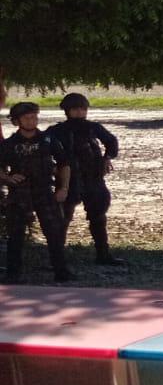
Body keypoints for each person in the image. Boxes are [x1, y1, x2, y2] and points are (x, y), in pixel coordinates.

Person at [47, 92, 123, 266]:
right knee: (63, 218)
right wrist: (53, 169)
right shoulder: (56, 131)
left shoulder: (93, 128)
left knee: (98, 217)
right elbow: (43, 151)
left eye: (83, 109)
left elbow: (111, 142)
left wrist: (107, 158)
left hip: (93, 179)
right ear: (67, 111)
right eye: (76, 109)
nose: (80, 113)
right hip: (68, 180)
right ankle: (57, 259)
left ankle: (103, 254)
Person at [0, 101, 73, 283]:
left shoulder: (48, 140)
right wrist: (7, 178)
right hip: (19, 194)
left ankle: (61, 271)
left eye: (34, 117)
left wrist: (63, 188)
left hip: (45, 192)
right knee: (15, 236)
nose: (32, 121)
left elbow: (64, 165)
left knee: (54, 233)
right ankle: (13, 274)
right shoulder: (9, 144)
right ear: (17, 121)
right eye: (27, 118)